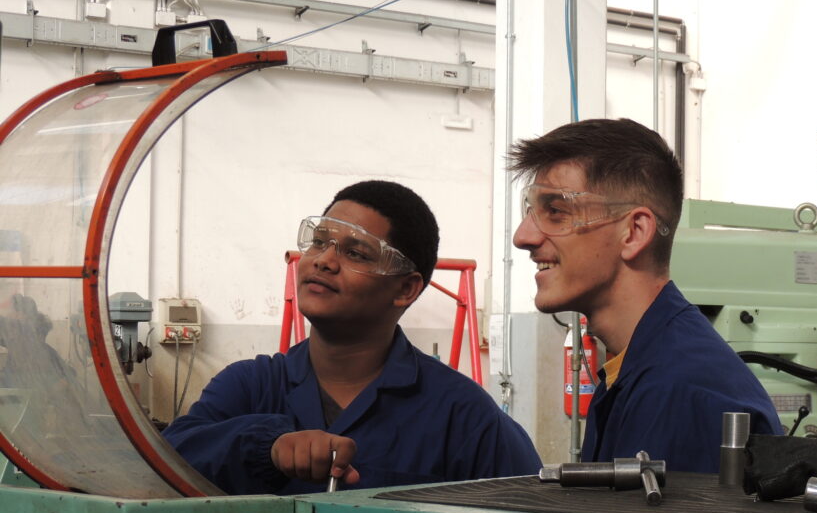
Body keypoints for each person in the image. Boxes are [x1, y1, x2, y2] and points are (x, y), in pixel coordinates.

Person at [164, 180, 541, 494]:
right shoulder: (249, 387)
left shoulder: (463, 417)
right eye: (318, 241)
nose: (323, 260)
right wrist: (267, 447)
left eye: (356, 252)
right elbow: (166, 462)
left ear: (406, 289)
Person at [509, 118, 782, 473]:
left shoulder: (682, 394)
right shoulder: (633, 372)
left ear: (634, 232)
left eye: (556, 211)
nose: (523, 236)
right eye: (530, 210)